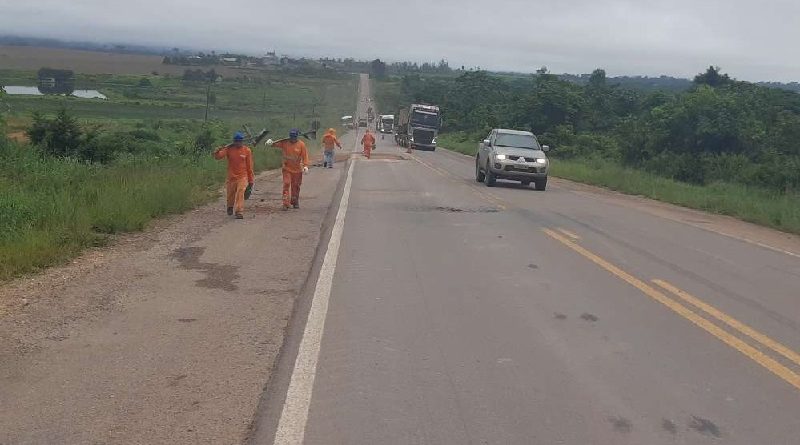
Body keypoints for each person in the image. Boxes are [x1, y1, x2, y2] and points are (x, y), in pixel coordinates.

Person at [213, 132, 254, 219]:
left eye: (240, 141)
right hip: (231, 177)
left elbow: (249, 167)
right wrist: (217, 152)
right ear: (234, 141)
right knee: (230, 194)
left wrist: (251, 181)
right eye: (237, 141)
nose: (238, 143)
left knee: (240, 191)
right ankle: (230, 206)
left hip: (243, 176)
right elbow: (218, 157)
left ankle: (239, 211)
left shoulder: (247, 150)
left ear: (242, 141)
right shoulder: (228, 149)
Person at [266, 129, 309, 210]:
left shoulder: (301, 145)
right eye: (291, 137)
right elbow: (275, 144)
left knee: (296, 186)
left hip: (297, 170)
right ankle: (285, 203)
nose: (293, 139)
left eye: (294, 137)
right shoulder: (285, 142)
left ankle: (295, 201)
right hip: (287, 168)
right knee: (286, 184)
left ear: (297, 137)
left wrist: (305, 165)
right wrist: (270, 143)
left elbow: (305, 156)